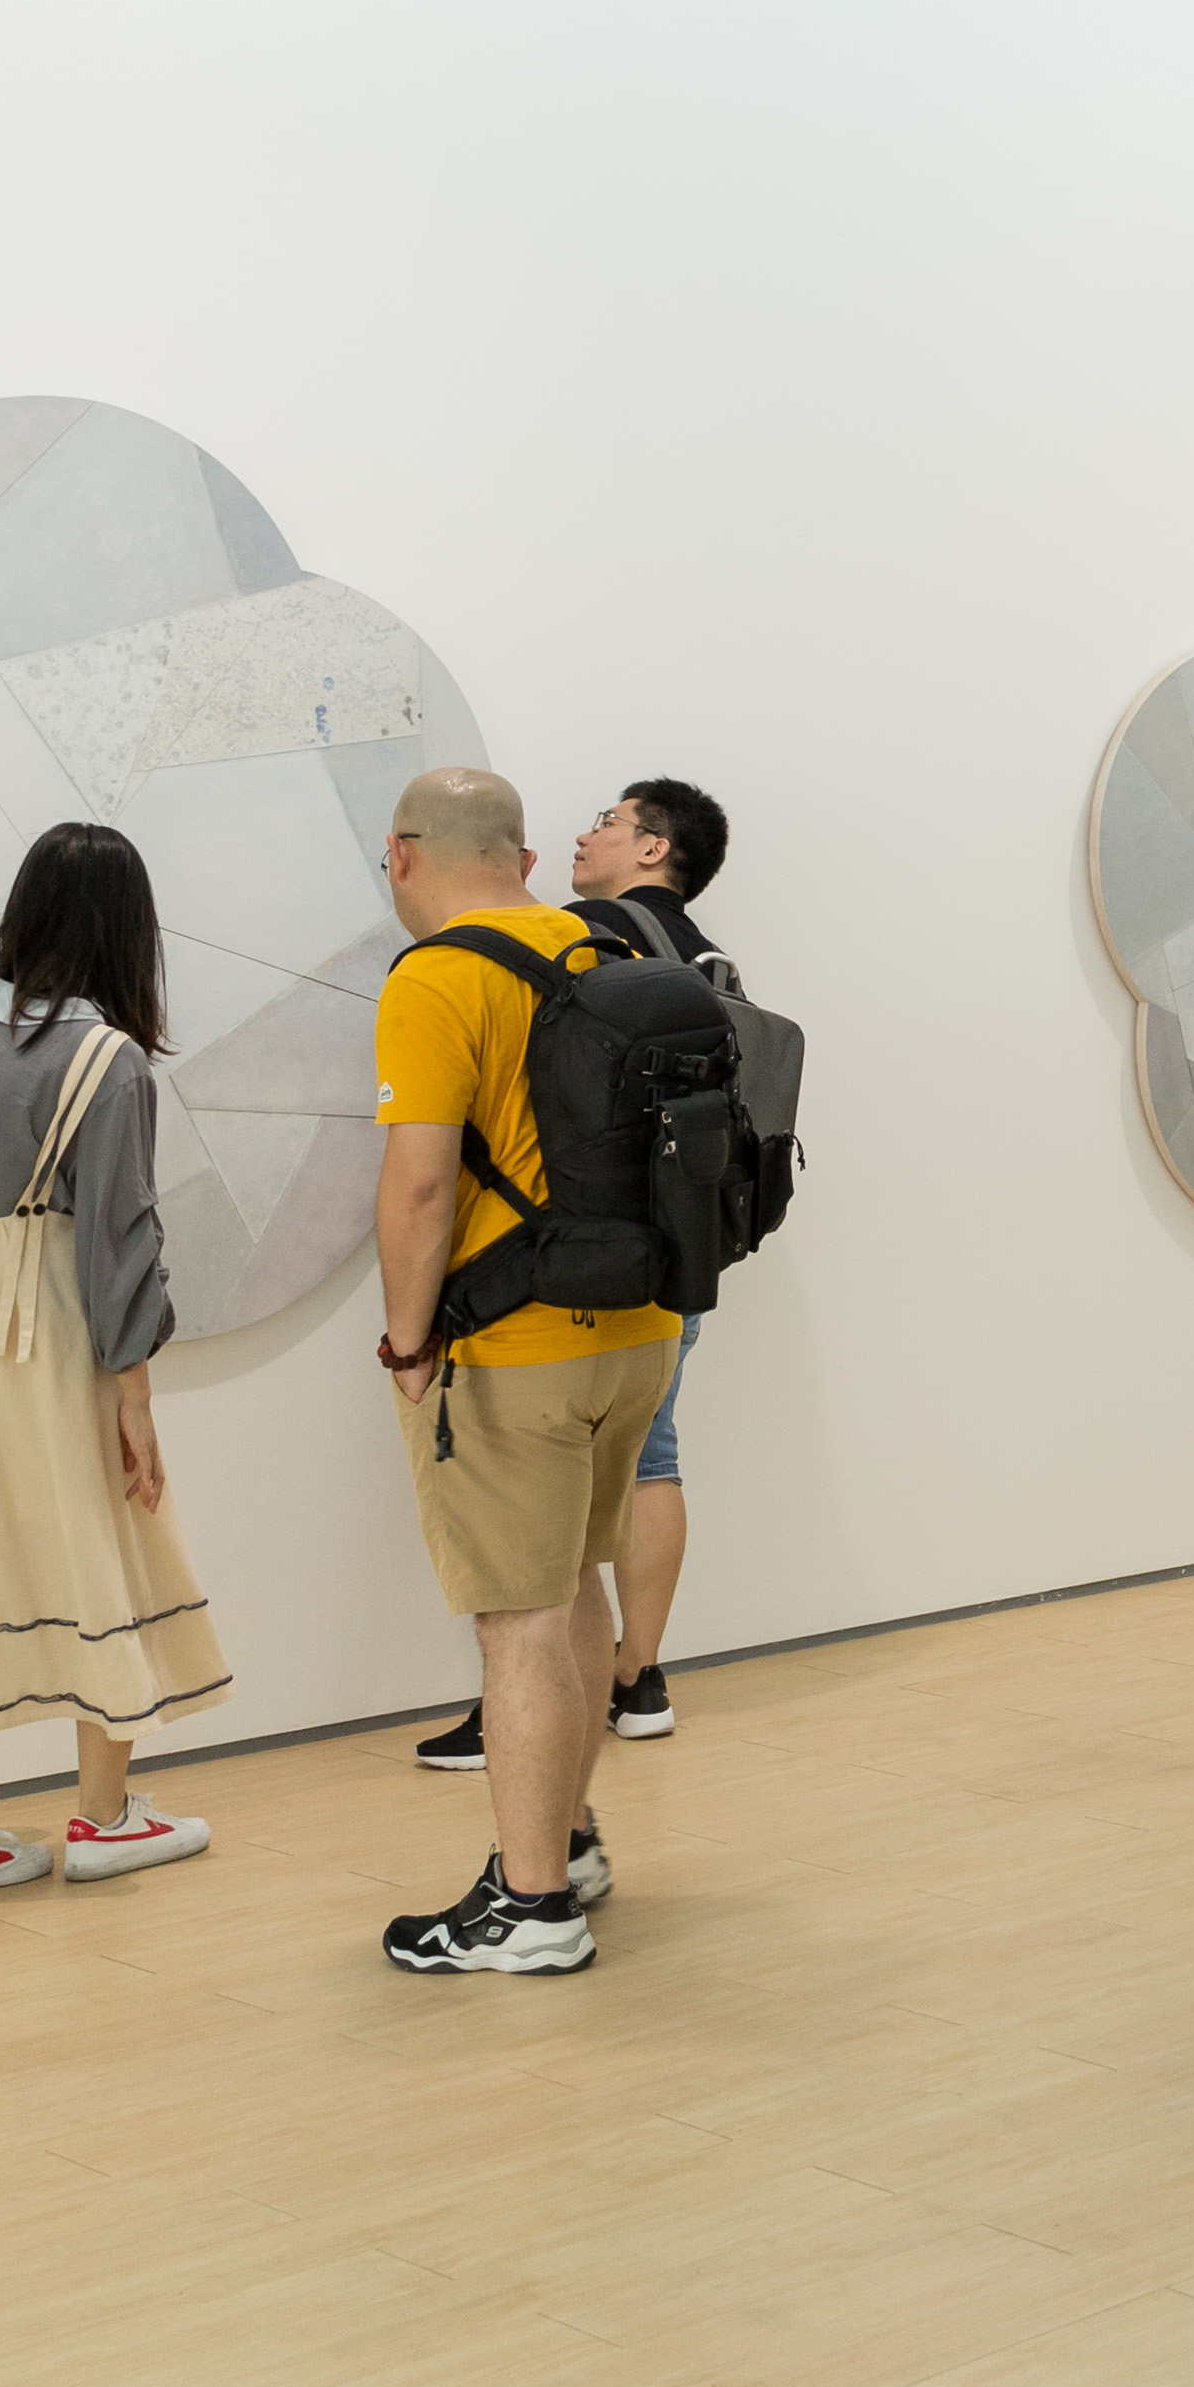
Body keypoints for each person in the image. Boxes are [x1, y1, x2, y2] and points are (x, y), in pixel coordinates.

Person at [0, 823, 228, 1905]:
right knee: (102, 1543)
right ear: (127, 930)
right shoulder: (108, 1060)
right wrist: (135, 1394)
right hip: (50, 1330)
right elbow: (119, 1239)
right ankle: (103, 1820)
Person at [366, 764, 681, 1973]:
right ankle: (570, 1837)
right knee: (576, 1589)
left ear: (402, 856)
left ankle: (533, 1903)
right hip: (638, 1329)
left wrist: (408, 1343)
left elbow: (419, 1184)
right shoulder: (604, 947)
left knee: (519, 1620)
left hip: (512, 1346)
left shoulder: (435, 977)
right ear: (529, 861)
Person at [415, 775, 728, 1770]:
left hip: (567, 1268)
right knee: (654, 1457)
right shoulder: (702, 956)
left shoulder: (591, 936)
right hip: (675, 1246)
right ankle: (639, 1675)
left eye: (609, 821)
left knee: (542, 1565)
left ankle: (528, 1709)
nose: (586, 835)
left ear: (654, 848)